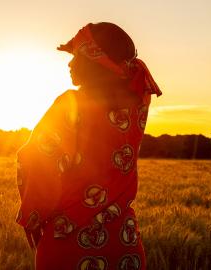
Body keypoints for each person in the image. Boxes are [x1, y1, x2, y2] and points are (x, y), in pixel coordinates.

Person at [15, 22, 162, 270]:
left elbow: (37, 160)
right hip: (125, 245)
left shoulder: (70, 104)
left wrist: (32, 216)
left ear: (99, 61)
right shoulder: (138, 104)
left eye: (78, 57)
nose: (70, 64)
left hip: (70, 243)